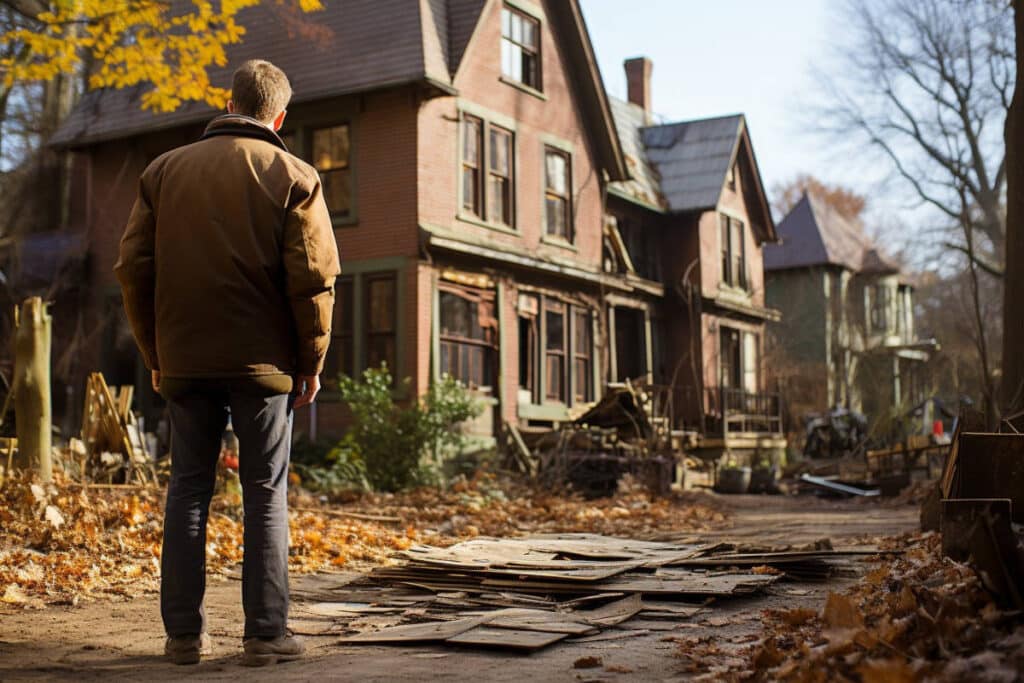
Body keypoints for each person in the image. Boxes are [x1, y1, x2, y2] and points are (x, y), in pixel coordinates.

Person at [115, 59, 341, 666]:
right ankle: (266, 636)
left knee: (187, 490)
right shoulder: (294, 175)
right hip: (264, 366)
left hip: (184, 362)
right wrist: (311, 360)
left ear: (230, 101)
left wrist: (156, 355)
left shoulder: (162, 172)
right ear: (279, 116)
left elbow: (134, 269)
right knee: (264, 491)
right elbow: (313, 281)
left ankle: (183, 638)